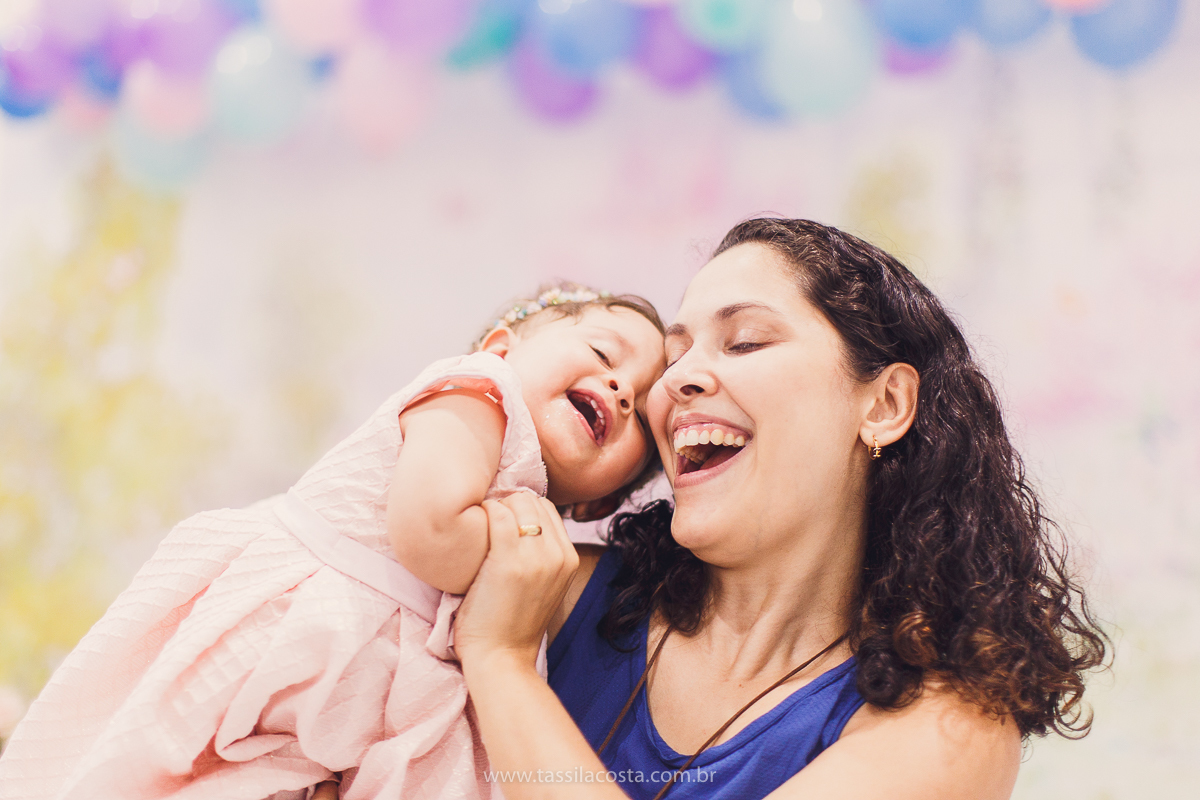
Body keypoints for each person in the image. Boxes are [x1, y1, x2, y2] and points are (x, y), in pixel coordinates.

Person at [452, 219, 1109, 800]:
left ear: (883, 406)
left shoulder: (945, 731)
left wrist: (502, 661)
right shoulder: (541, 587)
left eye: (744, 343)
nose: (676, 381)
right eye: (674, 360)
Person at [0, 283, 666, 800]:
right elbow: (429, 531)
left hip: (373, 678)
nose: (619, 387)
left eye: (639, 403)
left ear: (597, 503)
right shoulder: (477, 395)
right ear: (499, 348)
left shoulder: (539, 527)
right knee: (161, 760)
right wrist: (515, 560)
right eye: (605, 353)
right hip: (313, 620)